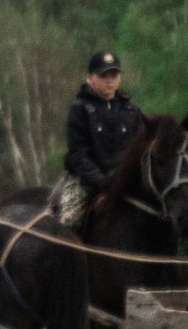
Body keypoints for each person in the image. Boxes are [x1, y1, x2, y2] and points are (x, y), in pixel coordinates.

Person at [59, 50, 139, 223]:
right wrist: (104, 182)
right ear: (90, 77)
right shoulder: (80, 110)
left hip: (125, 181)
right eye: (104, 75)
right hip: (86, 182)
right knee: (67, 222)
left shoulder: (131, 111)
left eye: (114, 74)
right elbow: (78, 155)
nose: (110, 80)